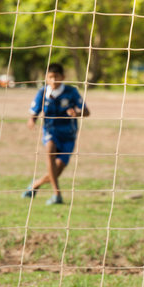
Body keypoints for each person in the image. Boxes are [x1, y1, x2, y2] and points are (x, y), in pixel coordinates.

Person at [23, 63, 90, 205]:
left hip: (68, 135)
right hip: (50, 132)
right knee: (49, 151)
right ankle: (57, 194)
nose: (53, 80)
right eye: (50, 77)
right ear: (46, 78)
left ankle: (35, 184)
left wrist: (77, 113)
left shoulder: (71, 92)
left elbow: (87, 111)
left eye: (56, 77)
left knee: (57, 169)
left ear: (63, 77)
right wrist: (32, 120)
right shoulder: (42, 93)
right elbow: (35, 111)